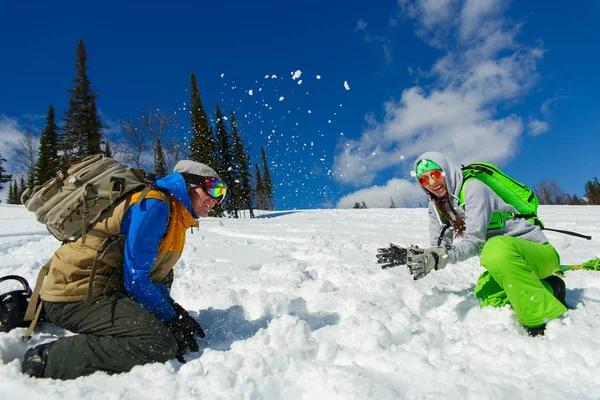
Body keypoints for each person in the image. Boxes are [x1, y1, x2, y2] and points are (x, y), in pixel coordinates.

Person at [21, 160, 228, 379]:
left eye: (222, 194)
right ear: (189, 183)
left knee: (165, 276)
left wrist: (174, 312)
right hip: (76, 294)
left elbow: (151, 274)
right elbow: (136, 279)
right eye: (214, 188)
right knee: (158, 342)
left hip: (100, 288)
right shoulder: (155, 205)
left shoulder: (174, 212)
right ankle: (49, 359)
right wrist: (169, 319)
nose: (216, 199)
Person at [378, 151, 567, 336]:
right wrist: (418, 256)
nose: (432, 183)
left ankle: (537, 317)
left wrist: (438, 257)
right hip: (509, 262)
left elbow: (475, 242)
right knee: (487, 297)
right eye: (424, 180)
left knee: (494, 248)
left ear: (446, 171)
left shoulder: (473, 188)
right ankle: (552, 288)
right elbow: (439, 249)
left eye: (435, 174)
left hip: (538, 254)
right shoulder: (437, 207)